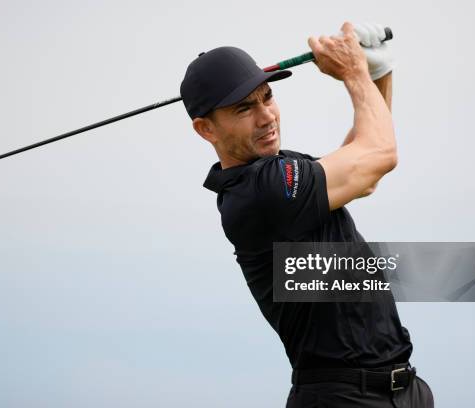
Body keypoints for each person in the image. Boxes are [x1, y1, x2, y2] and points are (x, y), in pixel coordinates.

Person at [180, 21, 434, 407]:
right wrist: (354, 74)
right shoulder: (260, 192)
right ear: (205, 130)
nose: (266, 116)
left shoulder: (279, 170)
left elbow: (363, 166)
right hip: (343, 397)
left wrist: (377, 75)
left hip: (401, 390)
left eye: (267, 97)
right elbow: (379, 157)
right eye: (244, 108)